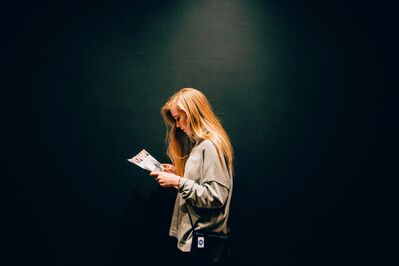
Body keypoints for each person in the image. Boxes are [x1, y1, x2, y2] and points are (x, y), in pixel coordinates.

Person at [150, 88, 234, 266]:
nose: (178, 125)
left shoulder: (210, 146)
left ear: (192, 113)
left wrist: (179, 182)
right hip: (194, 238)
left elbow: (216, 196)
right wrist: (178, 175)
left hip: (202, 240)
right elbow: (201, 184)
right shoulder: (201, 145)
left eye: (179, 118)